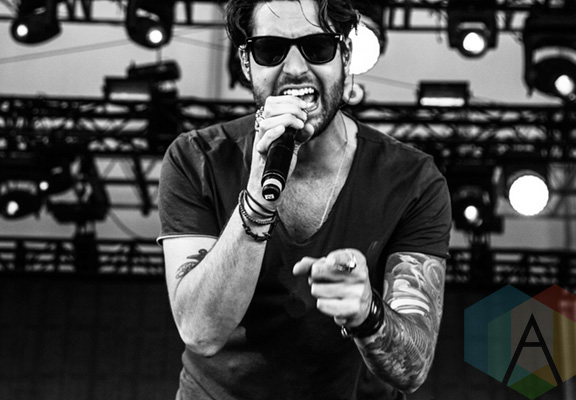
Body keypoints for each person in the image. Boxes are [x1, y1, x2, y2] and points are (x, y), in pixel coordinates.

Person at [157, 0, 452, 399]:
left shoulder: (413, 180)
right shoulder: (196, 159)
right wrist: (258, 198)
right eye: (270, 50)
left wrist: (367, 312)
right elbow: (200, 332)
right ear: (246, 63)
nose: (295, 68)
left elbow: (413, 368)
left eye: (317, 47)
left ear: (346, 55)